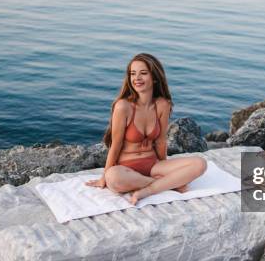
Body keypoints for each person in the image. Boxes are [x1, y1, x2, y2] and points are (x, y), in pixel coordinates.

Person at [86, 53, 207, 205]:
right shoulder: (123, 107)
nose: (137, 78)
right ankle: (168, 184)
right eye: (133, 73)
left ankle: (148, 189)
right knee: (113, 178)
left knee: (200, 164)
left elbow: (161, 141)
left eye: (143, 73)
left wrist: (167, 168)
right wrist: (104, 177)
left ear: (155, 78)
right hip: (126, 168)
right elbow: (115, 145)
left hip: (153, 165)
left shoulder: (162, 104)